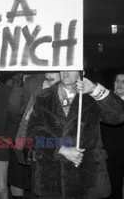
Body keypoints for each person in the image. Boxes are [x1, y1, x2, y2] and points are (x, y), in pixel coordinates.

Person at [27, 71, 124, 199]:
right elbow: (33, 134)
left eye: (71, 69)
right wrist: (61, 149)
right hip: (52, 178)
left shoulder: (91, 96)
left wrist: (94, 90)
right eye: (63, 68)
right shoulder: (44, 96)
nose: (66, 72)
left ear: (81, 72)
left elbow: (118, 116)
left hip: (88, 178)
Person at [100, 71, 124, 199]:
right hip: (106, 149)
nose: (120, 84)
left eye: (123, 82)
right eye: (117, 81)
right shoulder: (105, 100)